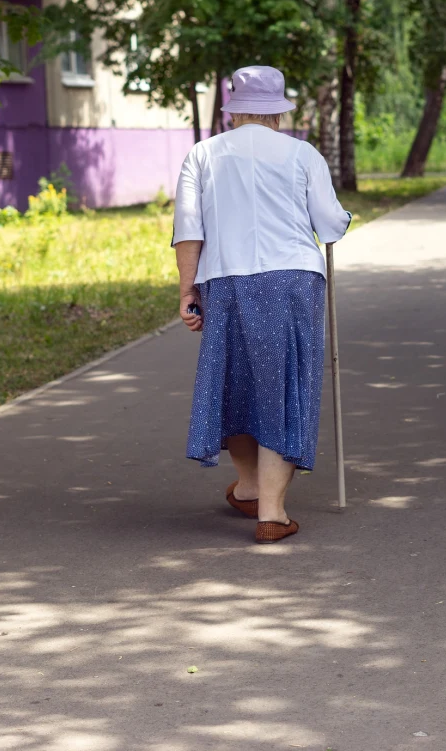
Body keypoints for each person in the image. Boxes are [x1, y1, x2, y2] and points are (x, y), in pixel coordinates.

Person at [172, 65, 351, 544]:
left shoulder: (202, 155)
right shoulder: (302, 154)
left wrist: (188, 290)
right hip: (293, 279)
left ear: (233, 109)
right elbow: (330, 224)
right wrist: (344, 217)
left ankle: (251, 484)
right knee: (284, 385)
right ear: (278, 111)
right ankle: (268, 508)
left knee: (234, 381)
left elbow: (189, 229)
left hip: (225, 281)